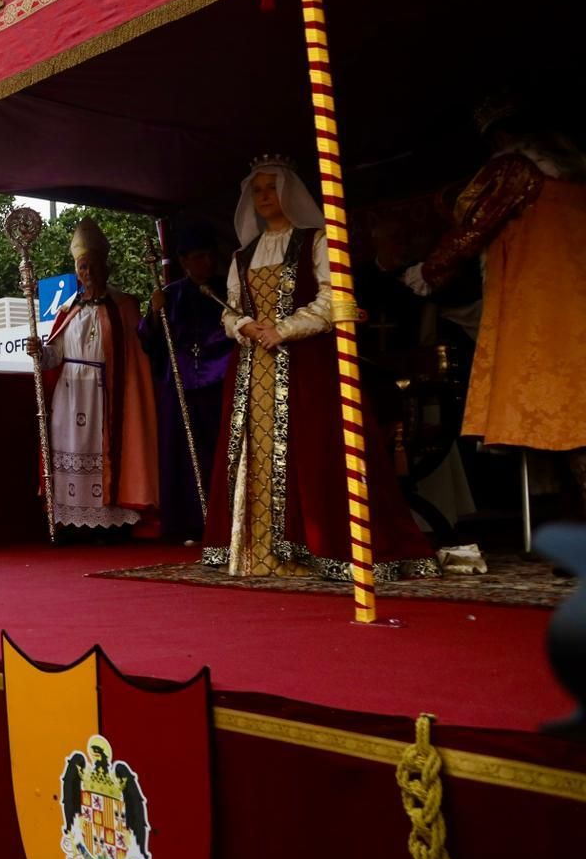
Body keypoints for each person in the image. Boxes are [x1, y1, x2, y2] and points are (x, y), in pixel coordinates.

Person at [202, 157, 440, 580]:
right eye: (257, 192)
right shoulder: (243, 255)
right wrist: (242, 324)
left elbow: (333, 299)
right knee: (255, 451)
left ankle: (316, 546)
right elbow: (231, 309)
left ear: (288, 193)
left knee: (313, 449)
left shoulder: (316, 241)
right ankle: (260, 551)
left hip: (307, 365)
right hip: (253, 368)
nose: (264, 198)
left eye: (271, 189)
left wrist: (285, 329)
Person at [405, 95, 586, 509]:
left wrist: (429, 271)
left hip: (542, 307)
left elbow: (474, 224)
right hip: (574, 304)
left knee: (558, 421)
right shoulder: (576, 175)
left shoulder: (514, 169)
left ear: (501, 136)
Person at [36, 218, 159, 537]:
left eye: (91, 266)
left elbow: (138, 355)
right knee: (71, 451)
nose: (86, 273)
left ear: (105, 267)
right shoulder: (67, 309)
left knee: (105, 453)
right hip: (69, 393)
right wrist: (38, 351)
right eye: (81, 267)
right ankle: (71, 522)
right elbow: (54, 356)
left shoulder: (124, 305)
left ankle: (109, 524)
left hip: (106, 394)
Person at [137, 223, 234, 545]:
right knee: (183, 456)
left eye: (209, 256)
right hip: (180, 385)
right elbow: (149, 341)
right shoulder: (171, 294)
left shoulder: (226, 290)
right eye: (198, 257)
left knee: (220, 451)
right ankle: (190, 523)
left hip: (218, 381)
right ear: (185, 261)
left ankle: (227, 519)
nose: (205, 263)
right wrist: (154, 314)